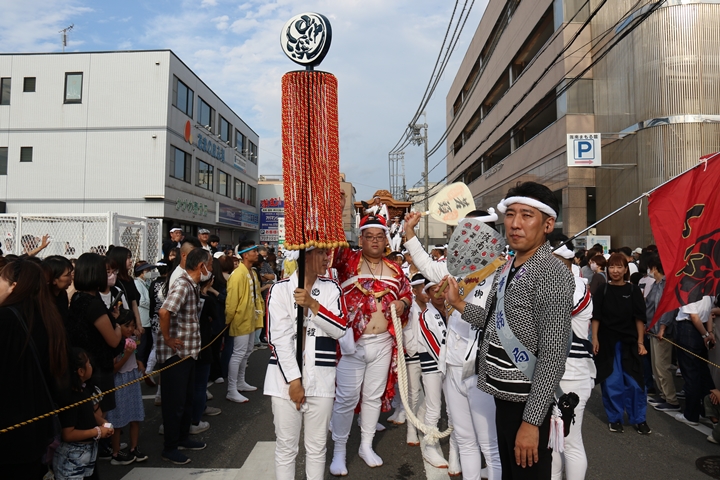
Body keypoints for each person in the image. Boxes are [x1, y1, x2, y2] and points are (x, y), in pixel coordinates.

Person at [446, 182, 574, 480]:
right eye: (511, 214)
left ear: (548, 224)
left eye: (527, 215)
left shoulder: (552, 274)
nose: (515, 224)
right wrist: (458, 304)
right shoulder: (508, 267)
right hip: (503, 395)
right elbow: (492, 321)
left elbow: (554, 356)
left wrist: (531, 422)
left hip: (527, 402)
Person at [406, 208, 502, 480]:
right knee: (465, 440)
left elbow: (493, 320)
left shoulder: (501, 272)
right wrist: (410, 231)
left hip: (481, 368)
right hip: (452, 363)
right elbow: (426, 266)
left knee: (490, 446)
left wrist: (458, 303)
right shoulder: (456, 268)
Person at [329, 214, 412, 475]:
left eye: (379, 236)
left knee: (373, 397)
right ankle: (339, 450)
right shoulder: (347, 261)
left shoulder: (395, 269)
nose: (375, 241)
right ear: (361, 238)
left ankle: (366, 445)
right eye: (369, 236)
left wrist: (403, 303)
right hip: (352, 344)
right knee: (345, 399)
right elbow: (332, 245)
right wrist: (339, 206)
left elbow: (407, 294)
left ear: (386, 240)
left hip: (383, 342)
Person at [264, 246, 347, 480]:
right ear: (305, 255)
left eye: (326, 253)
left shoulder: (332, 288)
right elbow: (277, 338)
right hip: (284, 382)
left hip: (321, 378)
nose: (327, 258)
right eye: (320, 253)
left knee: (317, 447)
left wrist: (313, 305)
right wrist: (294, 381)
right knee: (286, 447)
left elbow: (340, 328)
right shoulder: (280, 289)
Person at [0, 259, 69, 479]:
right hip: (38, 427)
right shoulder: (48, 316)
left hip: (9, 429)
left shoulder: (6, 319)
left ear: (14, 286)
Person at [157, 248, 211, 464]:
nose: (210, 270)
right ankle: (170, 447)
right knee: (175, 403)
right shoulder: (182, 285)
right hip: (176, 355)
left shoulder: (192, 285)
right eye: (209, 265)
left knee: (185, 400)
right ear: (201, 266)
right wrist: (168, 338)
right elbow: (164, 312)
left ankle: (182, 438)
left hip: (188, 353)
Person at [591, 253, 650, 434]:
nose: (615, 271)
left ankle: (639, 419)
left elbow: (639, 318)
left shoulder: (633, 290)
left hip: (630, 343)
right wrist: (595, 338)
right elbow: (596, 316)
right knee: (612, 381)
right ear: (607, 269)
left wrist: (640, 342)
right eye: (612, 267)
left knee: (635, 382)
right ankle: (615, 418)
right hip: (607, 343)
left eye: (619, 267)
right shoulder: (603, 290)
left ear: (626, 270)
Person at [551, 245, 595, 480]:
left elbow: (558, 310)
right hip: (551, 374)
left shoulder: (577, 287)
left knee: (570, 441)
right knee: (553, 439)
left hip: (573, 375)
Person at [67, 253, 123, 423]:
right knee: (98, 416)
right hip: (98, 367)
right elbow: (113, 340)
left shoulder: (76, 298)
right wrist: (118, 326)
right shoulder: (93, 304)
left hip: (84, 365)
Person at [53, 348, 114, 480]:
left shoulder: (83, 391)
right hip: (72, 457)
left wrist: (103, 422)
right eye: (89, 364)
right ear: (81, 371)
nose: (91, 366)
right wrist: (98, 431)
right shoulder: (70, 398)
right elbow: (68, 434)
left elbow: (87, 414)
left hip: (86, 453)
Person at [418, 280, 456, 470]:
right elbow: (434, 346)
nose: (439, 294)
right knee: (434, 407)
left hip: (452, 364)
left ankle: (455, 450)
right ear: (428, 293)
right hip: (434, 364)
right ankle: (430, 446)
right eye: (435, 290)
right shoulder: (425, 316)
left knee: (453, 409)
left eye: (442, 290)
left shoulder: (454, 310)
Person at [225, 240, 265, 403]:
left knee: (247, 351)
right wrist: (228, 320)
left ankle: (240, 382)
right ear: (245, 255)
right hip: (240, 319)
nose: (257, 253)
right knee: (238, 353)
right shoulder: (237, 274)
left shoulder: (252, 272)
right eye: (254, 251)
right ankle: (231, 389)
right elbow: (231, 302)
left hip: (251, 318)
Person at [106, 311, 147, 465]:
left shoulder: (132, 339)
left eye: (132, 326)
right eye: (126, 326)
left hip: (132, 378)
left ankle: (134, 447)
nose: (130, 329)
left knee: (135, 415)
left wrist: (138, 361)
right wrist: (126, 355)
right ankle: (116, 453)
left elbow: (135, 352)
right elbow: (113, 369)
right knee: (118, 418)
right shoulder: (114, 344)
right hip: (120, 381)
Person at [643, 255, 680, 412]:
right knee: (655, 365)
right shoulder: (656, 284)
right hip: (653, 329)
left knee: (662, 366)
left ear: (654, 268)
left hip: (662, 330)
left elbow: (667, 308)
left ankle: (671, 399)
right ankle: (663, 395)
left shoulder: (666, 284)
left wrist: (663, 327)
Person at [674, 295, 716, 426]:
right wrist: (709, 332)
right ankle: (708, 412)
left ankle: (691, 415)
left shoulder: (689, 289)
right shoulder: (708, 290)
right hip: (702, 327)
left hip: (689, 329)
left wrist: (705, 334)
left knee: (691, 375)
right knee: (703, 373)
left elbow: (693, 316)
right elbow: (709, 313)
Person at [107, 246, 143, 335]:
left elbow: (134, 302)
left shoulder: (129, 280)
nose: (131, 261)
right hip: (120, 324)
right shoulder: (114, 281)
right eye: (127, 258)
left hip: (130, 322)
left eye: (130, 257)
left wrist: (138, 324)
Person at [134, 262, 155, 371]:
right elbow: (141, 301)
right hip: (142, 319)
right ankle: (141, 369)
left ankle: (145, 368)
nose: (149, 273)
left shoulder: (147, 283)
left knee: (148, 345)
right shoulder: (137, 283)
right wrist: (152, 305)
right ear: (141, 272)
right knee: (142, 346)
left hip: (148, 320)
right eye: (147, 271)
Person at [42, 255, 74, 322]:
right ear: (53, 279)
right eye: (67, 275)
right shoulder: (42, 300)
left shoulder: (62, 295)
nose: (71, 278)